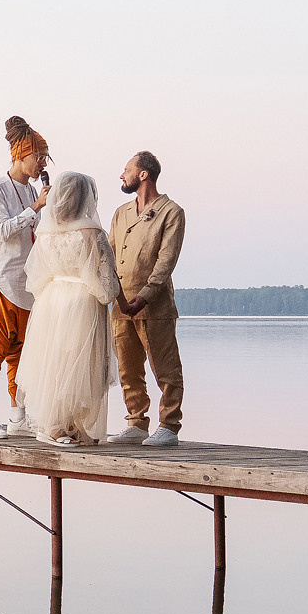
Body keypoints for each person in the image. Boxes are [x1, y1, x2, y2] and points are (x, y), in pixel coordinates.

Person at [12, 172, 122, 447]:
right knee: (78, 365)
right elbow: (105, 280)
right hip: (81, 300)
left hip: (51, 299)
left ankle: (59, 425)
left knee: (55, 363)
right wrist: (107, 294)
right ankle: (61, 427)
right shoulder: (91, 233)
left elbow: (36, 275)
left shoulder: (46, 232)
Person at [0, 117, 51, 440]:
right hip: (1, 283)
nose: (42, 164)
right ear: (21, 154)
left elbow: (33, 235)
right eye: (39, 157)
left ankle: (18, 413)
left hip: (26, 284)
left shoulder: (32, 189)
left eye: (45, 158)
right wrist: (35, 207)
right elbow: (2, 230)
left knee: (20, 353)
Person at [109, 151, 187, 446]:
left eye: (127, 169)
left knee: (165, 367)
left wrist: (143, 297)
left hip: (154, 306)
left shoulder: (171, 212)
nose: (122, 175)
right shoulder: (121, 213)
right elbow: (110, 253)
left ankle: (169, 425)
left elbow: (166, 262)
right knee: (127, 368)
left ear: (143, 174)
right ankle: (137, 422)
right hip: (120, 304)